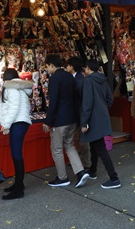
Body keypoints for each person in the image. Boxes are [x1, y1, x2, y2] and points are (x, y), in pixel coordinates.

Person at [43, 55, 89, 188]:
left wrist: (48, 121)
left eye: (47, 66)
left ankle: (62, 177)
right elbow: (76, 98)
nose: (47, 69)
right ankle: (80, 172)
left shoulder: (55, 78)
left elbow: (54, 102)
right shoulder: (70, 76)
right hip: (72, 118)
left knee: (56, 148)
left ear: (51, 65)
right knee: (69, 145)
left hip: (60, 120)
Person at [80, 59, 120, 188]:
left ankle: (114, 178)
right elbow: (110, 99)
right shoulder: (103, 80)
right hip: (102, 117)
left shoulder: (88, 80)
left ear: (87, 68)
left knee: (100, 148)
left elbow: (86, 103)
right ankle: (93, 171)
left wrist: (84, 122)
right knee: (95, 145)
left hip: (92, 119)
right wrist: (102, 108)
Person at [0, 68, 33, 200]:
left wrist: (6, 124)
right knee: (16, 154)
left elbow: (14, 107)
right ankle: (19, 184)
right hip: (19, 122)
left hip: (17, 123)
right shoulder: (19, 87)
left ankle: (19, 188)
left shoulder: (11, 88)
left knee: (17, 155)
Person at [66, 56, 91, 171]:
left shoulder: (81, 79)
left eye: (67, 65)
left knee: (83, 140)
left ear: (71, 66)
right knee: (77, 138)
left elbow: (83, 100)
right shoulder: (74, 78)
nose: (66, 67)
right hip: (75, 113)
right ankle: (80, 161)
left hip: (81, 113)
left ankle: (86, 164)